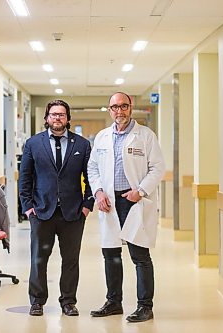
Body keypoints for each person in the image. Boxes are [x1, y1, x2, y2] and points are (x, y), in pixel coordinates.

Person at [87, 92, 166, 323]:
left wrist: (140, 191)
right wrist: (98, 191)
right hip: (109, 202)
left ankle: (145, 306)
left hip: (135, 201)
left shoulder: (145, 136)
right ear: (109, 110)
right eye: (114, 107)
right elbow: (93, 168)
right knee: (110, 254)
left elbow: (157, 168)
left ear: (130, 108)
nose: (119, 111)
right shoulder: (102, 137)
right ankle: (114, 302)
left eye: (123, 106)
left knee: (140, 255)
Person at [18, 99, 94, 317]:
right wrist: (28, 208)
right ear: (46, 118)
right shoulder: (33, 144)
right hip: (41, 212)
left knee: (70, 260)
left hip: (73, 213)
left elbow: (91, 177)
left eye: (61, 114)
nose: (57, 118)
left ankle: (68, 301)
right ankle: (37, 301)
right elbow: (25, 178)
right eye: (53, 114)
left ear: (68, 119)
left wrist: (87, 205)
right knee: (39, 259)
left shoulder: (82, 145)